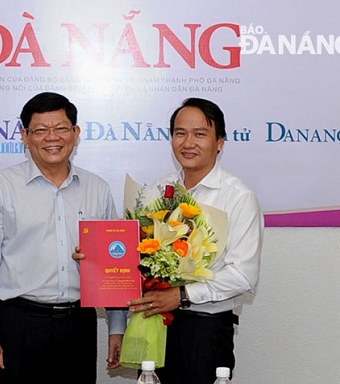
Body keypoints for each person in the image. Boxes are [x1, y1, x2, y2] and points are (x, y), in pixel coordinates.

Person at [0, 92, 126, 383]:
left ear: (76, 134)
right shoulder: (0, 187)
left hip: (79, 325)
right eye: (40, 130)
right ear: (25, 136)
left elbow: (114, 265)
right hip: (20, 323)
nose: (52, 137)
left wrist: (117, 327)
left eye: (61, 128)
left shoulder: (97, 188)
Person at [108, 97, 263, 383]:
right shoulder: (158, 189)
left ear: (220, 142)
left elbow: (244, 275)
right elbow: (136, 252)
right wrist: (101, 258)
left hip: (204, 332)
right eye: (180, 133)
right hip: (154, 324)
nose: (188, 142)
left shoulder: (237, 197)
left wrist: (181, 295)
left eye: (199, 134)